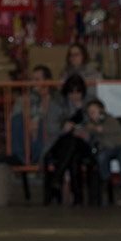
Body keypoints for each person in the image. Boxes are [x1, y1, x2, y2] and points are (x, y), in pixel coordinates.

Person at [42, 74, 96, 205]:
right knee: (73, 152)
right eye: (71, 92)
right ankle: (78, 197)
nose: (75, 96)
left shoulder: (91, 103)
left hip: (84, 143)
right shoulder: (58, 103)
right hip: (60, 142)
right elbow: (50, 126)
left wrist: (86, 132)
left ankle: (58, 178)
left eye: (78, 92)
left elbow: (97, 123)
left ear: (83, 91)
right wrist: (63, 128)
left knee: (74, 145)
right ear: (66, 91)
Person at [10, 65, 66, 164]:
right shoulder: (24, 98)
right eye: (32, 79)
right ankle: (20, 159)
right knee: (16, 120)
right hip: (28, 135)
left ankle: (38, 158)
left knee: (44, 122)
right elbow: (14, 114)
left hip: (48, 137)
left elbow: (59, 117)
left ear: (47, 81)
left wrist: (39, 121)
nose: (33, 83)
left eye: (37, 79)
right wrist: (28, 122)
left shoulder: (57, 98)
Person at [84, 98, 121, 203]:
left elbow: (104, 129)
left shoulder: (110, 119)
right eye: (90, 113)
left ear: (102, 111)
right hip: (107, 148)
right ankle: (106, 179)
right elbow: (88, 134)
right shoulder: (91, 124)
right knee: (101, 157)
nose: (91, 115)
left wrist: (96, 128)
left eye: (93, 112)